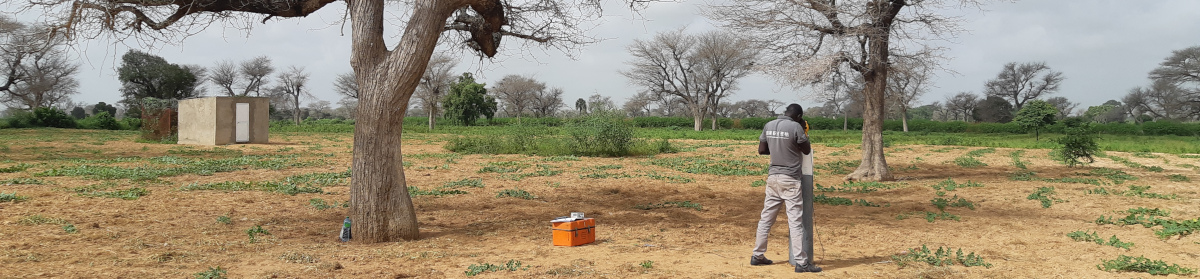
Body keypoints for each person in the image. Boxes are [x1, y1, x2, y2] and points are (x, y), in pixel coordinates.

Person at [750, 103, 821, 273]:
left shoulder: (769, 125)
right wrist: (803, 131)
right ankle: (802, 263)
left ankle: (757, 255)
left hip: (773, 179)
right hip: (790, 180)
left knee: (766, 219)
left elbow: (761, 150)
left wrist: (777, 150)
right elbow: (806, 150)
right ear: (798, 116)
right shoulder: (796, 127)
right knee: (795, 222)